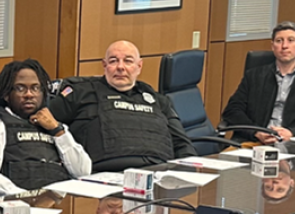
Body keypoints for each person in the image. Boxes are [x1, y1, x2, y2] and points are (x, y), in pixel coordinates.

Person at [49, 40, 194, 171]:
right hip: (102, 177)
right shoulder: (81, 93)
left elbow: (182, 145)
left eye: (128, 61)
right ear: (104, 65)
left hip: (156, 175)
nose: (120, 67)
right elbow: (47, 124)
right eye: (113, 61)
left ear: (139, 66)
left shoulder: (159, 100)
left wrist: (188, 176)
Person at [0, 59, 91, 197]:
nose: (29, 94)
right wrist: (26, 198)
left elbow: (83, 172)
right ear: (7, 95)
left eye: (35, 88)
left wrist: (58, 131)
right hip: (16, 208)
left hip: (58, 207)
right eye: (20, 88)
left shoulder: (57, 129)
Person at [220, 22, 295, 143]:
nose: (284, 46)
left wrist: (293, 132)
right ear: (272, 46)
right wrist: (256, 132)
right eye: (279, 41)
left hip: (294, 144)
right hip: (254, 142)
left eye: (291, 40)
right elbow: (232, 110)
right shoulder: (254, 76)